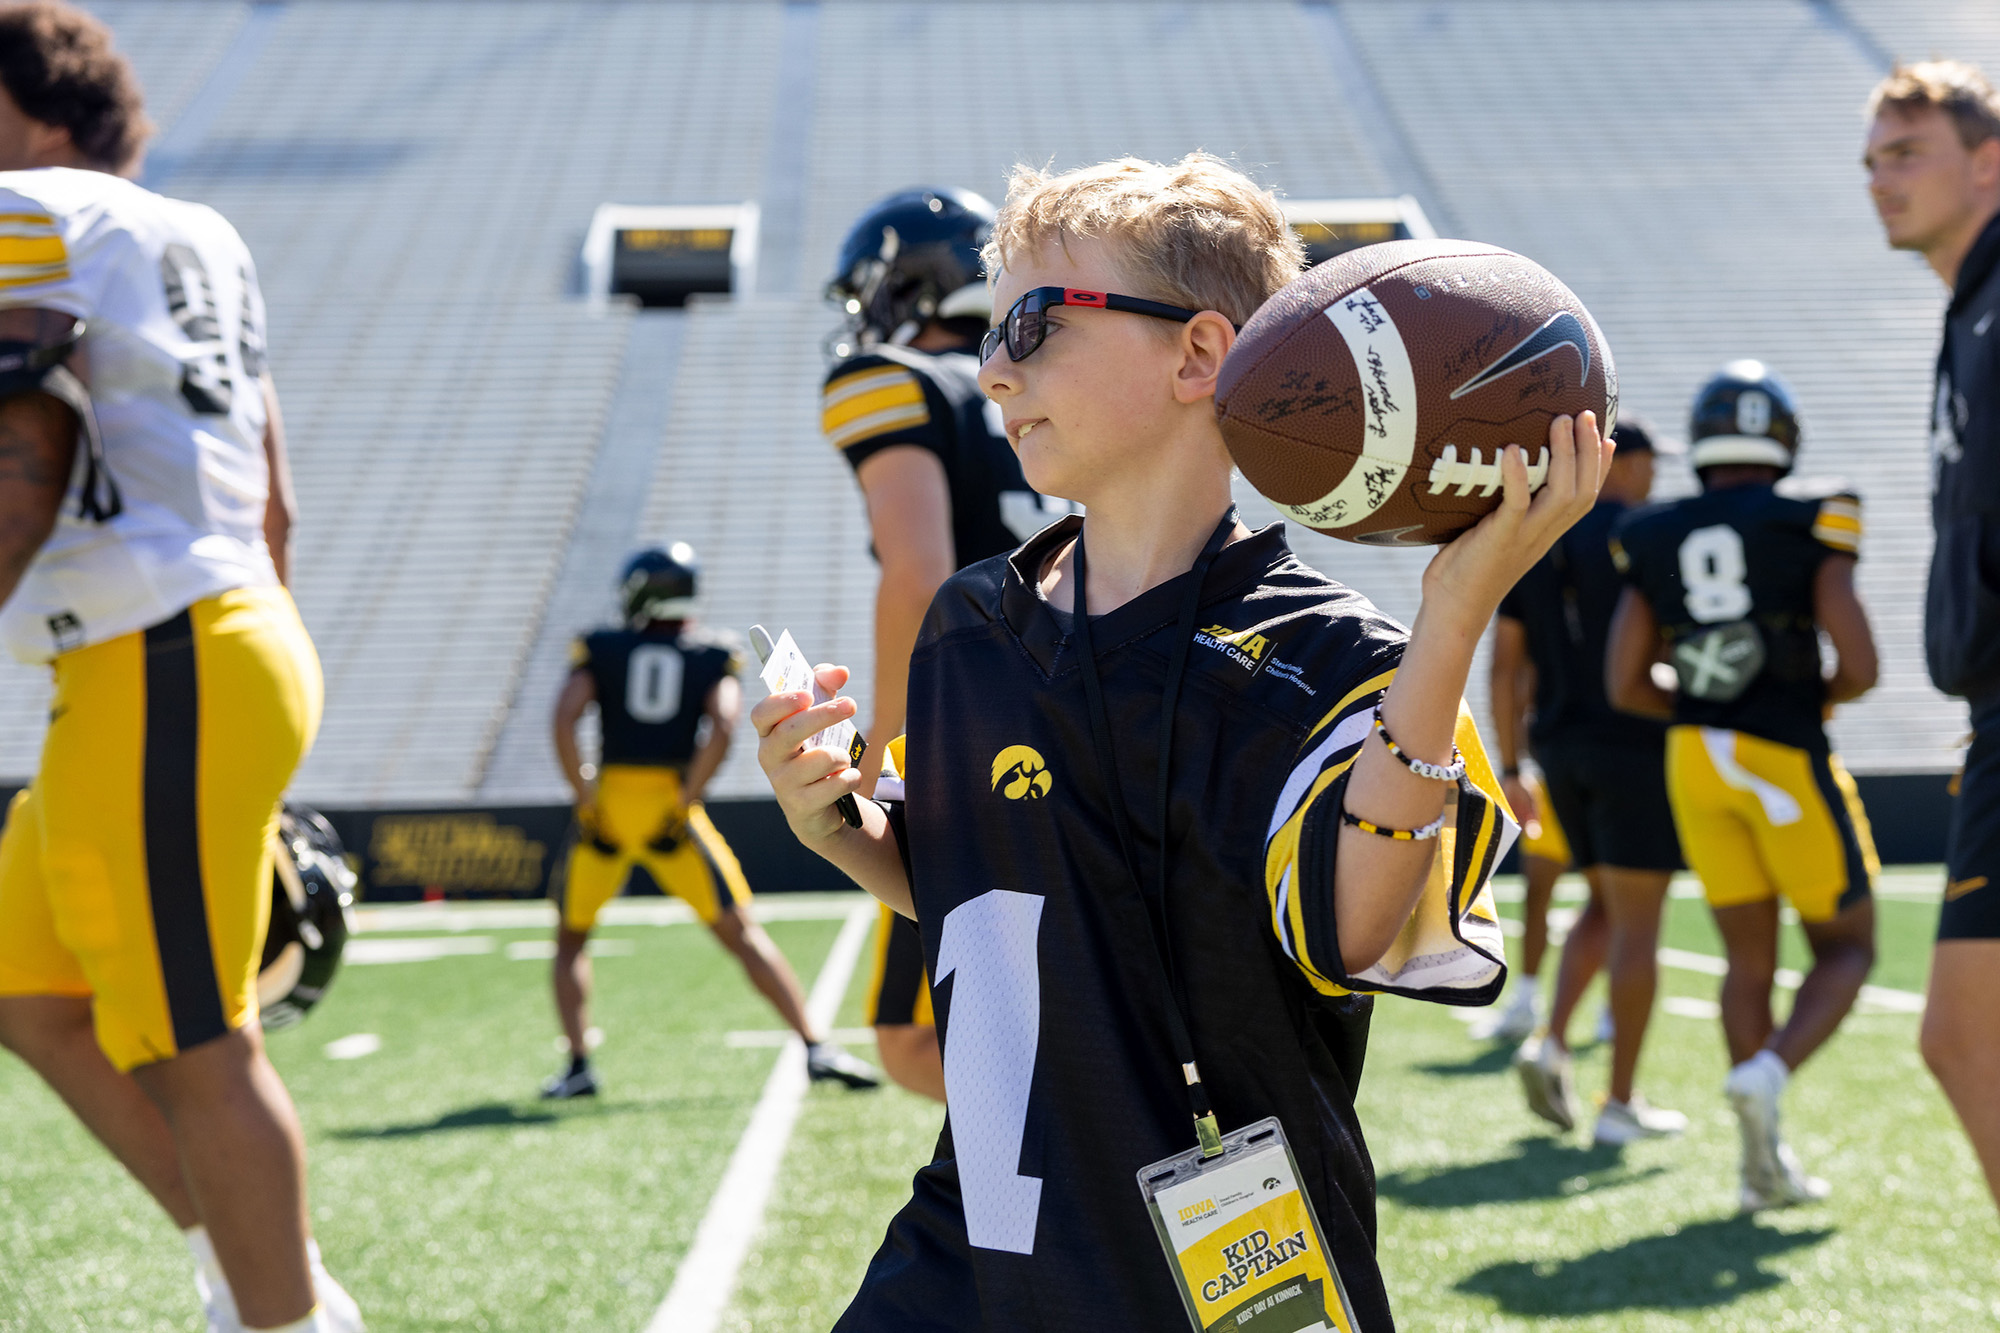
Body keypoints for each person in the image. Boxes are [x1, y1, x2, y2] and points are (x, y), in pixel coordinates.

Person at [755, 153, 1609, 1329]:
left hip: (1209, 1283)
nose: (994, 368)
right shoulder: (970, 624)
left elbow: (1356, 925)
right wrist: (835, 821)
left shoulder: (1334, 663)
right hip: (972, 1256)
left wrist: (1451, 614)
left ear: (1199, 355)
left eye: (1036, 324)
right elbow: (982, 887)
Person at [0, 6, 358, 1331]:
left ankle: (290, 1318)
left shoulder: (31, 214)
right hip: (193, 642)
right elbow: (278, 503)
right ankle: (250, 1271)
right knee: (30, 992)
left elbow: (25, 433)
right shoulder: (191, 233)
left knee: (197, 1040)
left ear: (27, 106)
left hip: (161, 651)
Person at [1607, 362, 1879, 1210]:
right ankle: (1767, 1074)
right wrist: (1801, 699)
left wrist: (1701, 705)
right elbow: (1862, 666)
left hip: (1693, 758)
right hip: (1783, 754)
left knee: (1746, 961)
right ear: (1782, 436)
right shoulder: (1813, 515)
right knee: (1847, 945)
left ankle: (1757, 1164)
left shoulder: (1649, 531)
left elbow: (1624, 683)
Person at [821, 187, 1074, 1100]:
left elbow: (920, 568)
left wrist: (891, 746)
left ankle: (1110, 1186)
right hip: (1073, 718)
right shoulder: (1030, 388)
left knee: (913, 1038)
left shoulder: (890, 377)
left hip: (974, 732)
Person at [545, 544, 879, 1098]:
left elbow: (564, 717)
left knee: (571, 939)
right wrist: (685, 800)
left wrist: (584, 796)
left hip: (608, 806)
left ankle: (578, 1064)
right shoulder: (710, 652)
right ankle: (815, 1045)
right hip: (672, 807)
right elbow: (723, 726)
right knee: (742, 935)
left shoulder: (603, 646)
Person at [1863, 59, 2000, 1213]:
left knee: (1964, 1038)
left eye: (1904, 152)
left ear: (1987, 159)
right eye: (1870, 161)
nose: (1878, 180)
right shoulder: (1969, 307)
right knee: (1964, 1042)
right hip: (1988, 716)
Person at [1504, 419, 1687, 1144]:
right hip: (1635, 743)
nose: (1654, 477)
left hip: (1558, 746)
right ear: (1623, 461)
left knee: (1605, 906)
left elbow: (1505, 663)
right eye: (1649, 463)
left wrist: (1513, 762)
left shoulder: (1538, 537)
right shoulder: (1646, 532)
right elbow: (1667, 642)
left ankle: (1549, 1041)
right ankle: (1620, 1105)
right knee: (1639, 922)